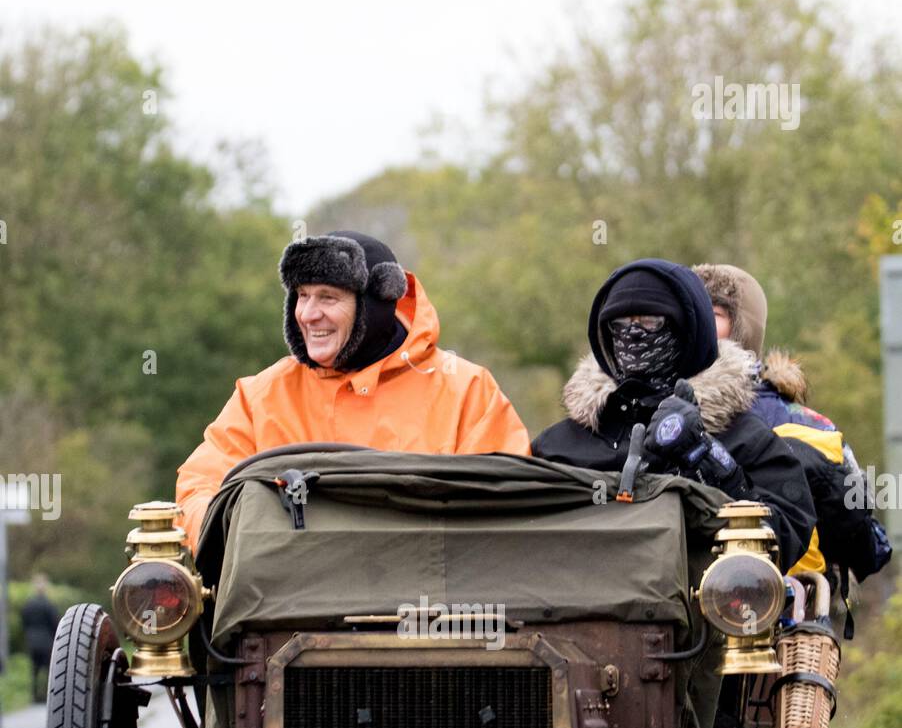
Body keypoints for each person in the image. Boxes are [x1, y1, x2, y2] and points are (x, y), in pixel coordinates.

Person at [176, 230, 531, 550]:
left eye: (328, 298)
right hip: (286, 606)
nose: (308, 314)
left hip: (431, 609)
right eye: (302, 296)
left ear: (378, 303)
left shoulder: (466, 389)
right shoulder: (260, 395)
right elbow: (199, 487)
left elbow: (509, 502)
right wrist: (235, 538)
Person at [533, 258, 815, 571]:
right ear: (605, 337)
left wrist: (706, 457)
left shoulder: (743, 435)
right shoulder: (559, 445)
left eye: (651, 321)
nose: (635, 333)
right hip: (575, 611)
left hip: (701, 612)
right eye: (620, 324)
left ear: (689, 331)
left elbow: (788, 533)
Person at [693, 262, 892, 595]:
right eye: (690, 311)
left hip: (775, 619)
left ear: (744, 329)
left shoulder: (800, 424)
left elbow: (866, 545)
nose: (698, 324)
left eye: (713, 313)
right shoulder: (647, 410)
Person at [20, 575, 60, 702]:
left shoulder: (28, 605)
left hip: (32, 641)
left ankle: (34, 696)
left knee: (34, 670)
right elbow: (55, 623)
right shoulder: (49, 605)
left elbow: (24, 621)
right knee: (49, 670)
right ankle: (49, 695)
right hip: (46, 641)